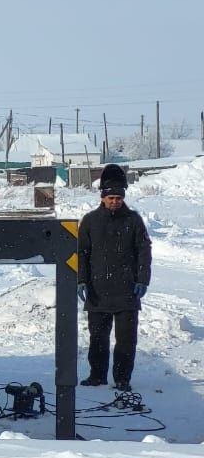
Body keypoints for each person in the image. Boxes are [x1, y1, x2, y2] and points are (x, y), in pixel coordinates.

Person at [77, 163, 152, 392]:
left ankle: (122, 379)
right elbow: (81, 253)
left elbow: (144, 251)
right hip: (97, 291)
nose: (115, 201)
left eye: (119, 198)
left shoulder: (133, 221)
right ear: (103, 197)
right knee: (98, 339)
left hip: (127, 292)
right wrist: (81, 279)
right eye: (111, 198)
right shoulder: (89, 221)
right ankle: (97, 375)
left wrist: (142, 280)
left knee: (126, 342)